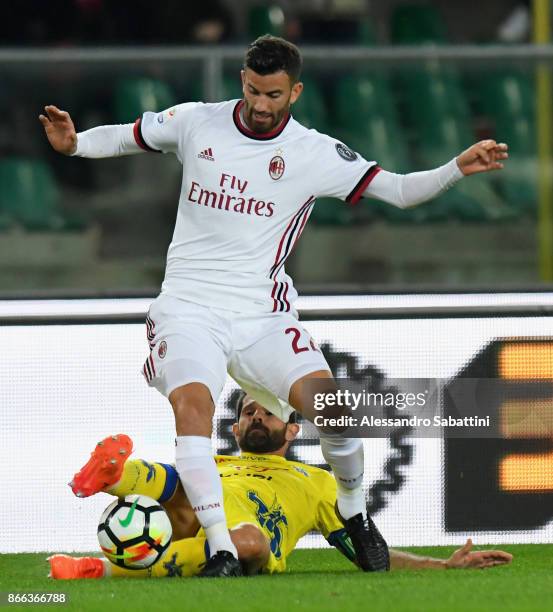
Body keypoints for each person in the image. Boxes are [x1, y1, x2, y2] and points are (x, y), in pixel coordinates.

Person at [40, 34, 509, 577]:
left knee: (333, 408)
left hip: (263, 315)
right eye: (253, 91)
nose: (262, 105)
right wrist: (75, 144)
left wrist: (456, 167)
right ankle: (220, 548)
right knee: (192, 410)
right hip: (189, 308)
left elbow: (400, 190)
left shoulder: (313, 152)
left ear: (296, 92)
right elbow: (126, 136)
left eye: (274, 95)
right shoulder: (197, 121)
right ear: (242, 80)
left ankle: (355, 513)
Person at [49, 394, 513, 579]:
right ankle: (113, 476)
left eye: (266, 412)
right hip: (191, 517)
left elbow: (366, 551)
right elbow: (185, 484)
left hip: (246, 543)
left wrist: (442, 566)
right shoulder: (212, 459)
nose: (255, 417)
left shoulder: (318, 482)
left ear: (293, 430)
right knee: (186, 478)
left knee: (246, 538)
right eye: (247, 412)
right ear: (234, 430)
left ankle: (99, 570)